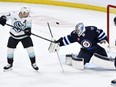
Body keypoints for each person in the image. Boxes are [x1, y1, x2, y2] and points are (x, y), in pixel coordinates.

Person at [0, 5, 39, 71]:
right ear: (22, 12)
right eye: (26, 13)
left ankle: (33, 63)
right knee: (10, 51)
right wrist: (3, 19)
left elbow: (29, 27)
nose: (28, 14)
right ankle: (10, 64)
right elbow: (5, 16)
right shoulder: (13, 14)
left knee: (30, 50)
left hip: (24, 37)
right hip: (13, 36)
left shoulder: (28, 18)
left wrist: (28, 30)